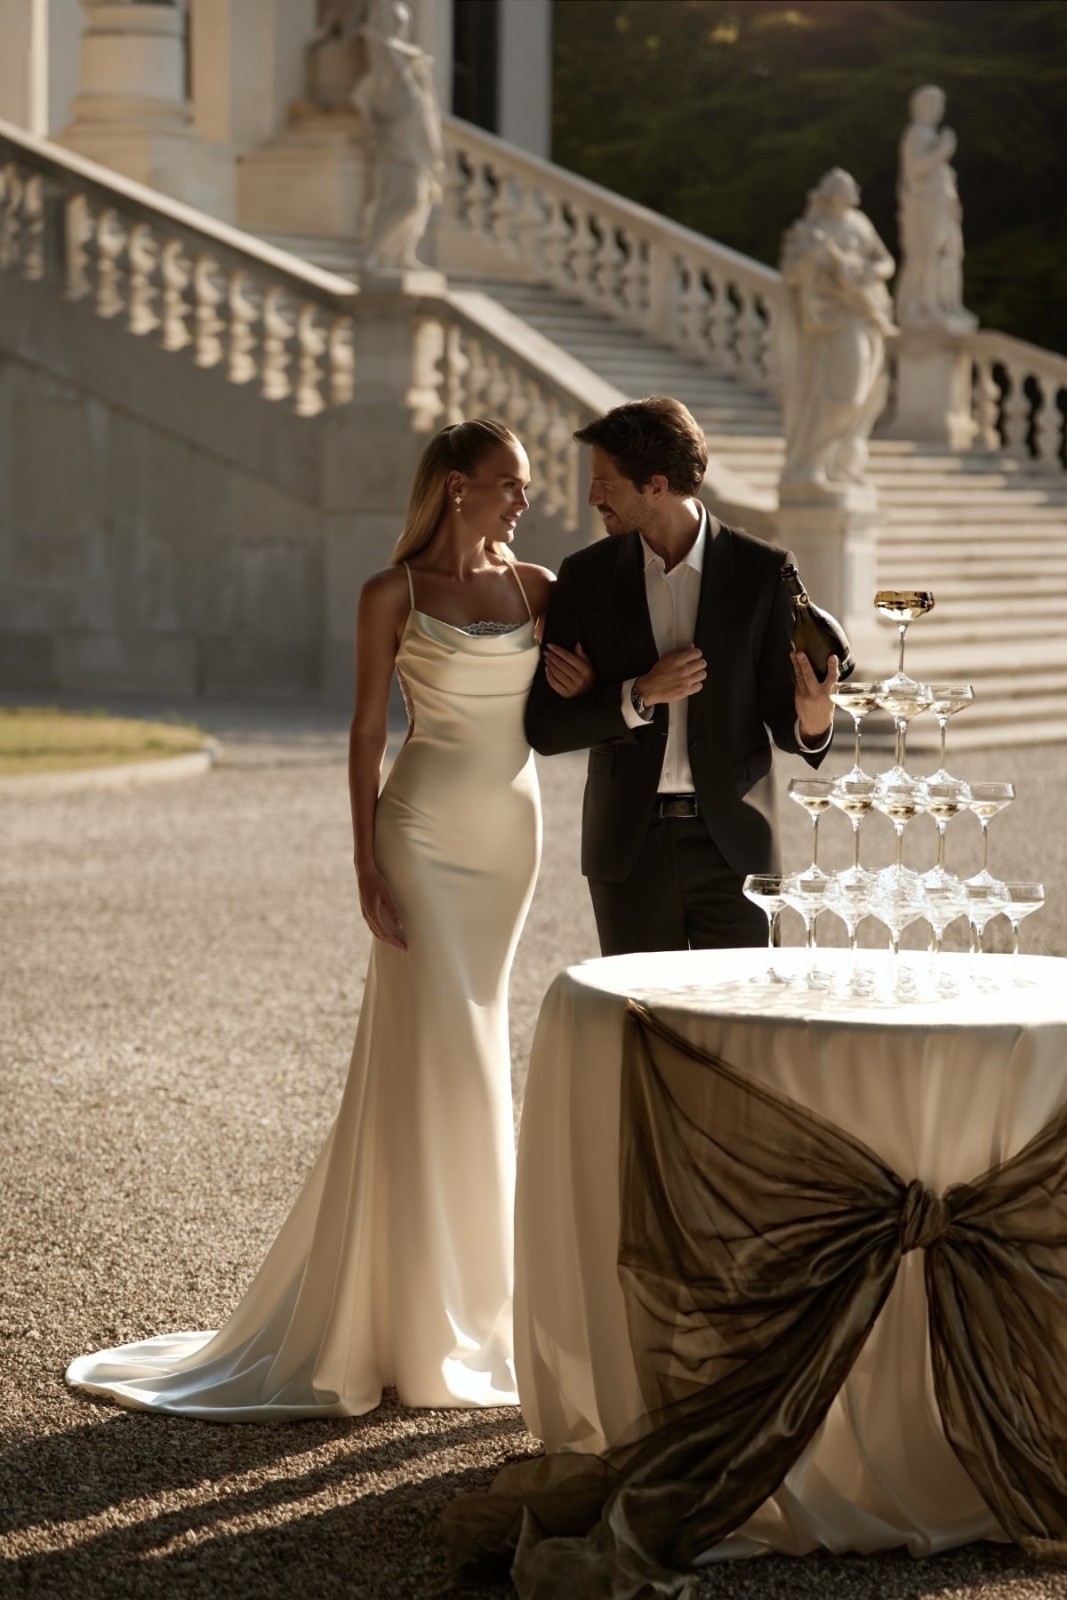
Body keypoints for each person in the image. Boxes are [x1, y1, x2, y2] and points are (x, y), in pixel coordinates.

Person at [66, 419, 590, 1419]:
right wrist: (362, 861)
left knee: (477, 1041)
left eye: (523, 486)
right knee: (441, 1047)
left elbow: (579, 700)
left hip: (509, 839)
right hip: (421, 833)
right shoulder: (390, 593)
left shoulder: (539, 588)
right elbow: (362, 731)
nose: (524, 500)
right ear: (455, 487)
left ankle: (469, 1309)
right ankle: (422, 1320)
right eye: (508, 483)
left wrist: (587, 681)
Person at [525, 396, 836, 957]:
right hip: (628, 849)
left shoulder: (763, 571)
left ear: (657, 486)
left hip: (736, 851)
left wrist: (813, 722)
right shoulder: (585, 577)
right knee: (642, 1010)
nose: (592, 497)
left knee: (743, 1008)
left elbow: (784, 716)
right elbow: (545, 728)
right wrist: (637, 694)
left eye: (605, 484)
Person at [778, 168, 896, 499]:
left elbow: (886, 262)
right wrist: (814, 259)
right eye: (841, 188)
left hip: (867, 315)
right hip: (833, 319)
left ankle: (842, 464)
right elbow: (791, 275)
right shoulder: (812, 230)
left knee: (866, 398)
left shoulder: (859, 223)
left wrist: (868, 271)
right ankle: (811, 464)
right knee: (844, 394)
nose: (849, 192)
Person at [352, 0, 444, 271]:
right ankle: (372, 252)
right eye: (397, 22)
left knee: (423, 199)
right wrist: (378, 125)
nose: (401, 28)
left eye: (403, 23)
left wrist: (434, 147)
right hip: (400, 142)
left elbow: (429, 107)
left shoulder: (412, 62)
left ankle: (404, 254)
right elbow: (360, 97)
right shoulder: (388, 64)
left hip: (420, 140)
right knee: (406, 198)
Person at [895, 85, 970, 329]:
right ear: (923, 106)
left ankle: (947, 303)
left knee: (949, 255)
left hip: (942, 208)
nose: (940, 110)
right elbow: (914, 170)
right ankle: (926, 306)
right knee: (928, 255)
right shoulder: (917, 133)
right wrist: (944, 150)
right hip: (926, 206)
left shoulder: (928, 135)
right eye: (936, 104)